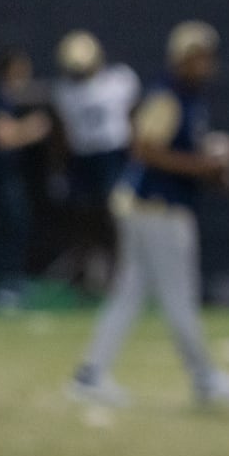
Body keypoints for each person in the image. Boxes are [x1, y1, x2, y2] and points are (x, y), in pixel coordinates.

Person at [68, 21, 229, 408]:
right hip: (157, 209)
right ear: (181, 58)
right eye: (196, 56)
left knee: (129, 295)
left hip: (151, 207)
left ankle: (90, 373)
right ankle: (204, 378)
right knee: (179, 297)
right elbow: (144, 149)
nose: (204, 64)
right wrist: (205, 167)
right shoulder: (167, 96)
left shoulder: (186, 96)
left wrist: (210, 163)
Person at [51, 30, 140, 292]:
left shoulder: (119, 82)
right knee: (84, 218)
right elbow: (62, 135)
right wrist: (57, 169)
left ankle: (119, 274)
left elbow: (134, 121)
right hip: (83, 159)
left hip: (113, 156)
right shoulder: (64, 92)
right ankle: (87, 274)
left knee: (116, 217)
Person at [0, 48, 52, 311]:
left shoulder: (2, 98)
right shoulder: (1, 99)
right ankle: (4, 287)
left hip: (3, 177)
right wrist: (32, 129)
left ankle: (8, 283)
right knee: (10, 227)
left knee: (14, 225)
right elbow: (3, 138)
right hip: (1, 177)